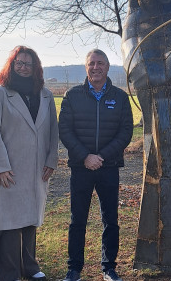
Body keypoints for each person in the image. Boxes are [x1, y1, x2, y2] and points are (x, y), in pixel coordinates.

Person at [58, 49, 134, 281]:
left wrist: (101, 156)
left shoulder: (120, 97)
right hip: (81, 168)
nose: (95, 67)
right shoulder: (72, 96)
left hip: (108, 168)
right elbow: (65, 130)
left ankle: (109, 268)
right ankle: (74, 269)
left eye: (100, 63)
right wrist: (85, 157)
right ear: (86, 67)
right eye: (91, 63)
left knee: (110, 220)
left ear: (108, 67)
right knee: (77, 220)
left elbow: (126, 132)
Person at [0, 46, 59, 281]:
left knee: (30, 219)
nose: (23, 67)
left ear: (35, 67)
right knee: (7, 223)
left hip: (38, 168)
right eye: (19, 63)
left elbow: (53, 131)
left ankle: (29, 266)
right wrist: (0, 166)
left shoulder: (46, 95)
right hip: (9, 169)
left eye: (28, 63)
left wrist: (52, 159)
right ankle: (9, 273)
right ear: (12, 64)